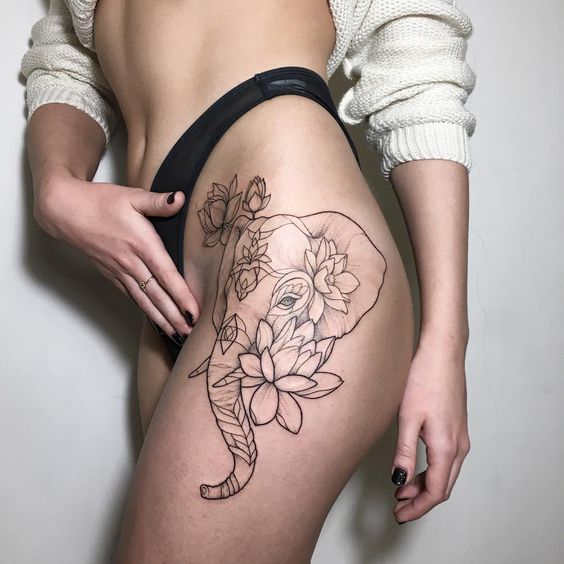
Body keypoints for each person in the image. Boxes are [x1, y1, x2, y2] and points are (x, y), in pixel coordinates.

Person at [20, 0, 475, 561]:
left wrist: (447, 345)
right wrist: (56, 186)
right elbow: (70, 55)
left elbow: (418, 63)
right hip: (168, 283)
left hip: (289, 224)